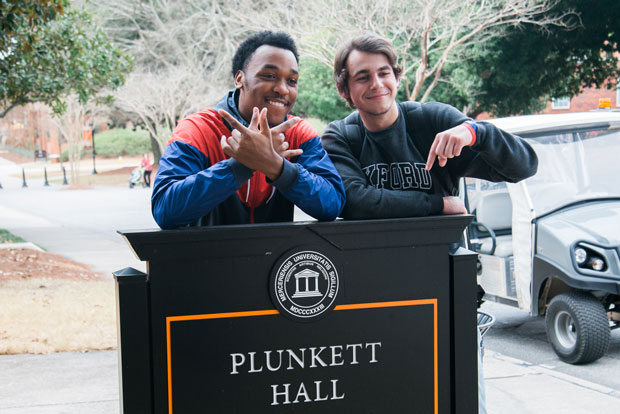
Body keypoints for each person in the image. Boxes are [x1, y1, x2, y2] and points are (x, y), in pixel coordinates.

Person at [321, 33, 539, 414]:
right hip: (375, 300)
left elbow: (524, 166)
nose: (377, 85)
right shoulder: (341, 136)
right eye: (362, 77)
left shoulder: (430, 121)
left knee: (463, 400)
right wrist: (438, 204)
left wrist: (476, 131)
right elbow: (358, 203)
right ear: (345, 88)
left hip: (447, 290)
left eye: (384, 73)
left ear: (397, 76)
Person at [151, 31, 345, 229]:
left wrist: (278, 168)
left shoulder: (299, 133)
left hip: (277, 258)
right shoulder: (197, 129)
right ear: (239, 79)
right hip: (206, 257)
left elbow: (333, 204)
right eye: (270, 76)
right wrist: (242, 165)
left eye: (292, 81)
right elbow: (165, 210)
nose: (283, 89)